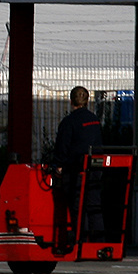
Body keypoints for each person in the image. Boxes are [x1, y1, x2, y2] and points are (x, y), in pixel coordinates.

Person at [53, 86, 104, 239]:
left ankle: (80, 239)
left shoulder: (69, 122)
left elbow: (62, 147)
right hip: (95, 168)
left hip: (75, 170)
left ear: (71, 101)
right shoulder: (95, 121)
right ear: (87, 101)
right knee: (94, 206)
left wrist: (58, 166)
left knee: (78, 207)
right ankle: (98, 240)